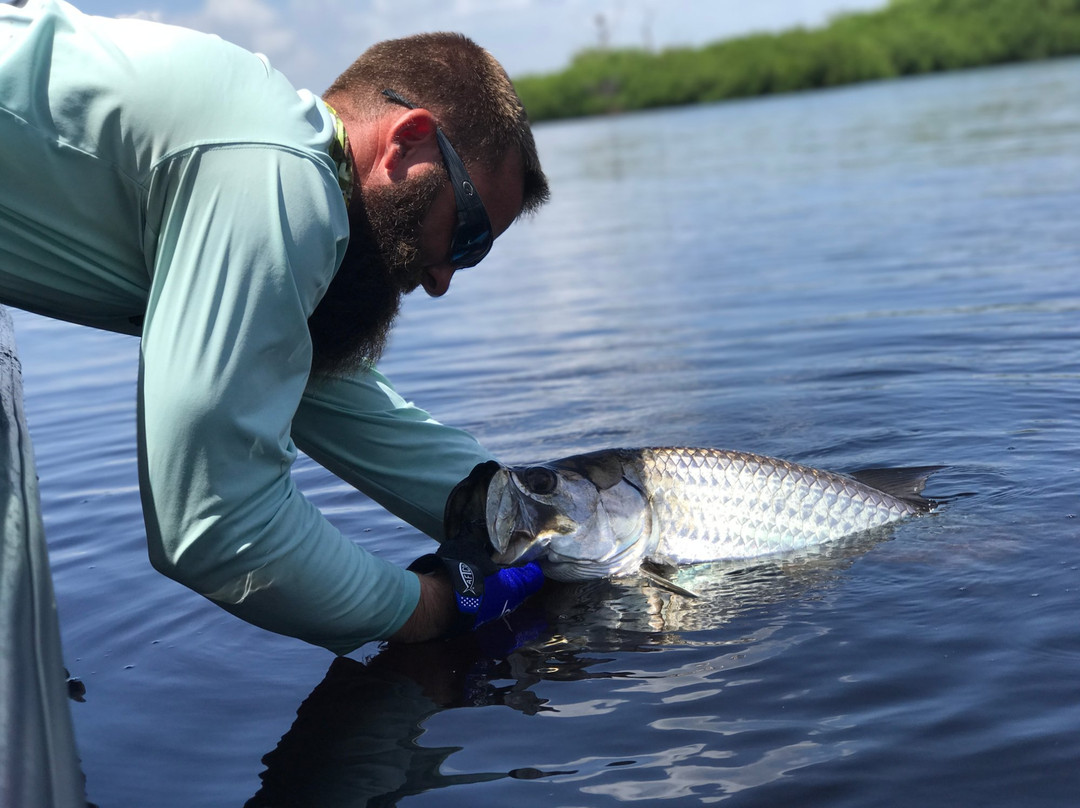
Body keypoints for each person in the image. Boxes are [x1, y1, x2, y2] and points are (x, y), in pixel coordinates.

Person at [0, 0, 550, 654]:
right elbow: (213, 523)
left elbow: (332, 392)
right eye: (466, 235)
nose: (442, 280)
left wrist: (534, 520)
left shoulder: (277, 160)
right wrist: (430, 606)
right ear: (407, 142)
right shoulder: (278, 172)